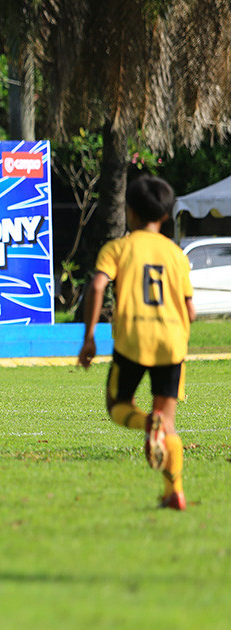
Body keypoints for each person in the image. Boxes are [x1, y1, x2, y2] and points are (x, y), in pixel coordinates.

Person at [78, 175, 196, 510]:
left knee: (117, 405)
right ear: (164, 215)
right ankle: (175, 491)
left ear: (129, 213)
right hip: (172, 342)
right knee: (168, 420)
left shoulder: (118, 248)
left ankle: (148, 424)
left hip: (132, 338)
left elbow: (98, 287)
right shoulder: (176, 254)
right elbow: (190, 309)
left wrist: (89, 338)